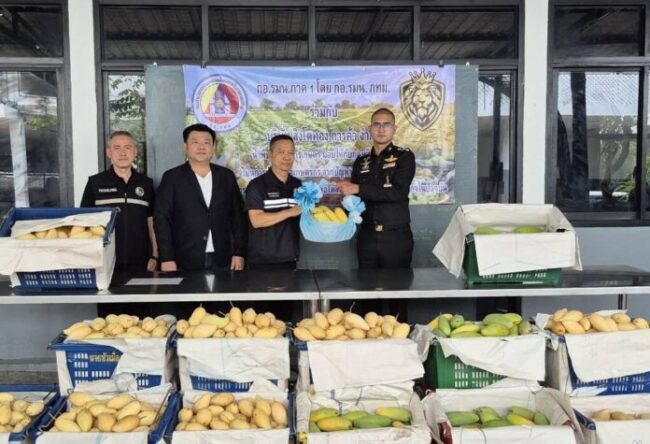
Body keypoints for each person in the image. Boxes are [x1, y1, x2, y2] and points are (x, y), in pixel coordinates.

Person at [154, 123, 247, 272]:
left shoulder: (226, 176)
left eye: (206, 142)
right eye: (195, 142)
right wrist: (166, 258)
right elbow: (161, 219)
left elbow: (238, 217)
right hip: (184, 258)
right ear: (185, 147)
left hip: (224, 258)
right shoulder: (172, 177)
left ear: (213, 148)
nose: (201, 147)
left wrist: (239, 252)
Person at [335, 108, 416, 269]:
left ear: (394, 129)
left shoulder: (404, 157)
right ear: (369, 128)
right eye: (376, 124)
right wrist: (339, 207)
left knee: (397, 284)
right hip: (367, 236)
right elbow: (355, 200)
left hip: (395, 237)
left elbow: (398, 193)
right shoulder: (361, 162)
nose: (381, 129)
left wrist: (358, 188)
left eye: (387, 124)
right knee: (366, 283)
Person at [81, 131, 158, 272]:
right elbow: (84, 222)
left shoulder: (146, 183)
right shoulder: (95, 183)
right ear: (108, 152)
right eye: (117, 148)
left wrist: (155, 256)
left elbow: (152, 222)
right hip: (104, 262)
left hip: (141, 261)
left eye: (128, 147)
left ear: (135, 152)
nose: (123, 153)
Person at [245, 134, 302, 270]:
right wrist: (290, 212)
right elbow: (257, 220)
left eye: (291, 153)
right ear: (270, 155)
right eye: (281, 152)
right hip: (262, 261)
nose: (287, 157)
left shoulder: (298, 185)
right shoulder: (257, 185)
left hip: (290, 258)